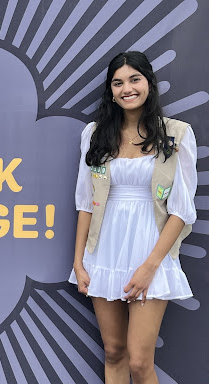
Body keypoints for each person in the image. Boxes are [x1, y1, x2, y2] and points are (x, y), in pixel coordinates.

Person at [69, 51, 196, 383]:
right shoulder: (95, 135)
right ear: (111, 91)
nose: (127, 88)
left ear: (149, 84)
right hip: (105, 250)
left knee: (140, 363)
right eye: (118, 82)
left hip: (150, 250)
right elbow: (86, 202)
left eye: (134, 79)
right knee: (113, 353)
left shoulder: (176, 134)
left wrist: (150, 266)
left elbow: (181, 210)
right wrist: (79, 262)